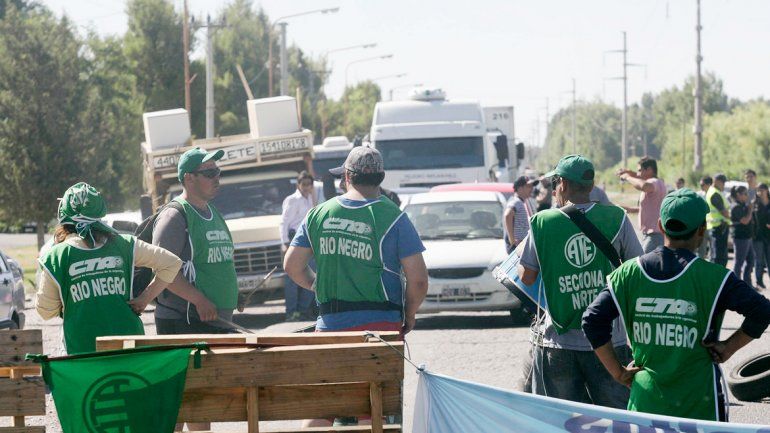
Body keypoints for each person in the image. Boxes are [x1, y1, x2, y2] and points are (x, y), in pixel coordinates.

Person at [583, 188, 770, 421]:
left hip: (646, 403)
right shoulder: (715, 277)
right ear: (702, 230)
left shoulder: (628, 273)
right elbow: (762, 311)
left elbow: (592, 320)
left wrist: (618, 372)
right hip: (700, 404)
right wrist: (729, 347)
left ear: (660, 226)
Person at [517, 154, 643, 408]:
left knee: (563, 418)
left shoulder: (543, 222)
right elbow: (637, 272)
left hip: (559, 342)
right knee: (619, 418)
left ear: (562, 183)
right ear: (591, 184)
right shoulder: (616, 217)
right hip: (609, 339)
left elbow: (526, 277)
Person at [285, 146, 428, 334]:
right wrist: (409, 314)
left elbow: (292, 266)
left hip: (330, 326)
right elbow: (418, 281)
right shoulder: (395, 217)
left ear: (346, 177)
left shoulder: (317, 214)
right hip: (383, 327)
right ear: (381, 177)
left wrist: (317, 285)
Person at [36, 183, 182, 354]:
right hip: (129, 346)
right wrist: (145, 298)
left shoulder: (56, 256)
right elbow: (172, 263)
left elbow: (45, 311)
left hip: (82, 351)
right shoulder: (125, 244)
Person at [152, 147, 235, 335]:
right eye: (209, 173)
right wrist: (199, 300)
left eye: (217, 171)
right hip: (184, 321)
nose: (217, 178)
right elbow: (162, 269)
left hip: (215, 322)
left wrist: (233, 295)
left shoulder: (214, 212)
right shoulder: (174, 217)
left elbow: (221, 262)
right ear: (189, 178)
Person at [279, 170, 317, 321]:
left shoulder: (310, 199)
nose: (307, 187)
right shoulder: (292, 200)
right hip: (294, 240)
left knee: (311, 276)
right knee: (292, 279)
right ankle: (291, 312)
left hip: (308, 241)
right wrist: (284, 243)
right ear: (298, 184)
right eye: (304, 184)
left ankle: (302, 310)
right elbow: (283, 222)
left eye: (309, 184)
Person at [616, 156, 667, 253]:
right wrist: (629, 209)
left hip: (654, 236)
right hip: (654, 235)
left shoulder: (653, 182)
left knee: (642, 265)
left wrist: (628, 177)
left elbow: (643, 185)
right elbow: (651, 208)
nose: (638, 173)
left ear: (649, 170)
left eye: (640, 170)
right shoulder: (658, 182)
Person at [504, 176, 538, 254]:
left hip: (520, 246)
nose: (531, 189)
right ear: (520, 188)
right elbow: (508, 215)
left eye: (532, 186)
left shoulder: (520, 201)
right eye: (528, 186)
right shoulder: (517, 201)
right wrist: (512, 241)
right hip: (517, 247)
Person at [730, 185, 755, 287]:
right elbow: (745, 221)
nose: (747, 196)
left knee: (750, 261)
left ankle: (747, 284)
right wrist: (750, 209)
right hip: (741, 238)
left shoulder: (743, 204)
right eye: (745, 194)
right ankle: (735, 285)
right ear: (738, 195)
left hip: (747, 237)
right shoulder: (736, 206)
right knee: (739, 262)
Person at [706, 174, 731, 266]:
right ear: (717, 181)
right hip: (719, 228)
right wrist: (734, 218)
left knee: (717, 255)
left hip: (717, 228)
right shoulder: (715, 193)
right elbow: (724, 212)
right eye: (723, 182)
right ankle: (716, 278)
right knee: (719, 257)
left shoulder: (713, 192)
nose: (724, 185)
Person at [753, 183, 770, 290]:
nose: (760, 192)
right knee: (759, 261)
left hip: (769, 236)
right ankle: (759, 282)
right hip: (758, 237)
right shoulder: (755, 204)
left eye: (762, 190)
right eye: (758, 190)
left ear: (767, 190)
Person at [696, 176, 713, 259]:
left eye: (702, 185)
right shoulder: (698, 195)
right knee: (701, 247)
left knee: (713, 248)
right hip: (702, 225)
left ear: (709, 184)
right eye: (700, 185)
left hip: (713, 224)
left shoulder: (715, 195)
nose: (701, 187)